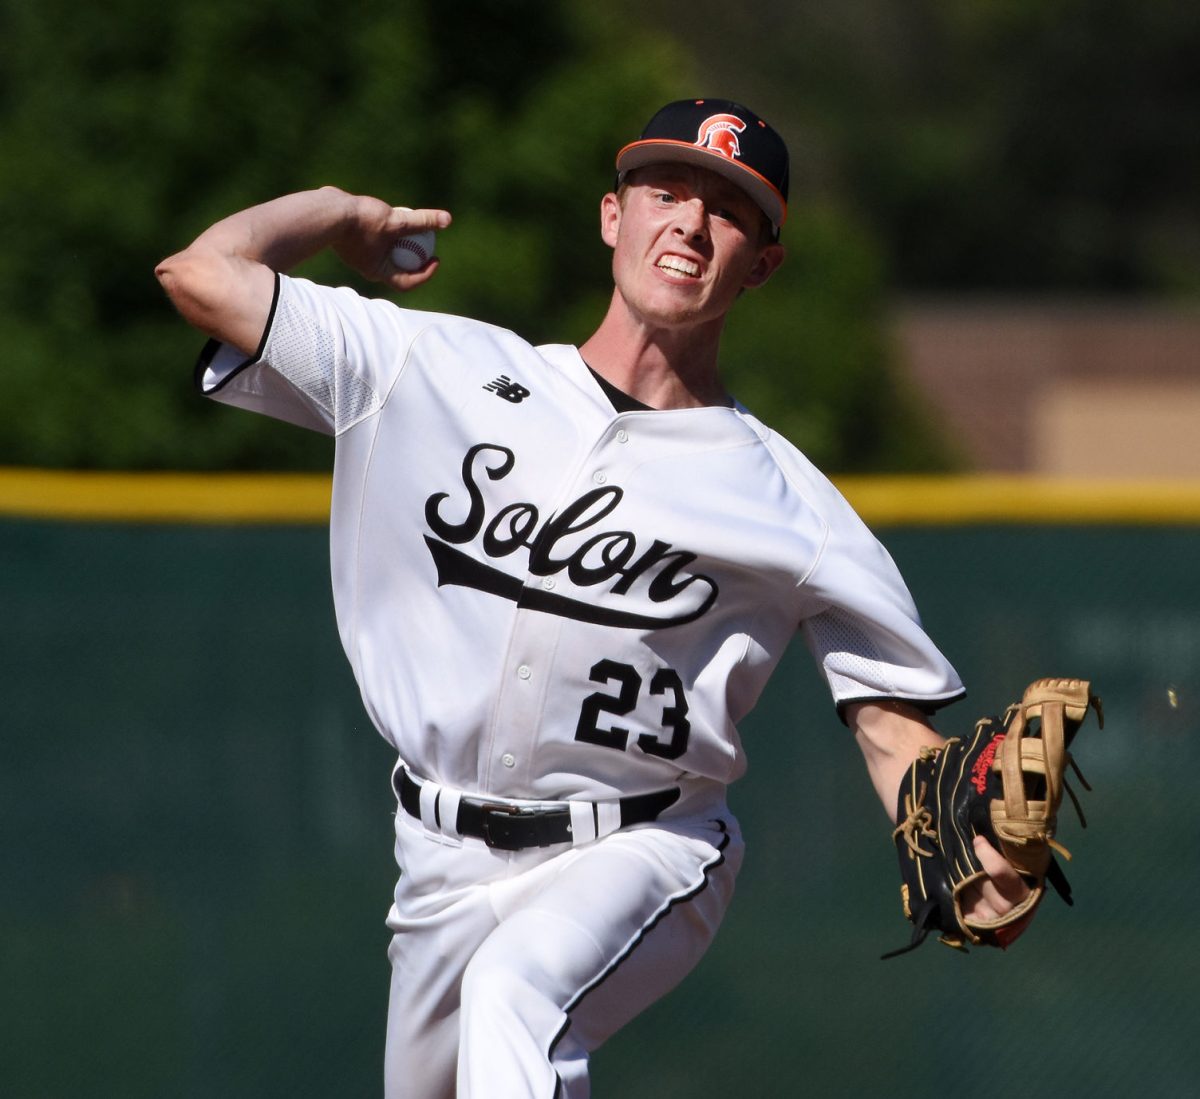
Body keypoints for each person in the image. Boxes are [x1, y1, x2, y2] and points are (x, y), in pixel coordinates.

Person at [156, 98, 1028, 1098]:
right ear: (613, 216)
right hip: (437, 860)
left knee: (514, 997)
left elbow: (888, 724)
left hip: (641, 845)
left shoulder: (792, 502)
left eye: (729, 211)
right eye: (666, 192)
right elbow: (199, 274)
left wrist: (967, 834)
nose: (690, 225)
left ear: (764, 262)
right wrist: (340, 212)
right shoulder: (428, 367)